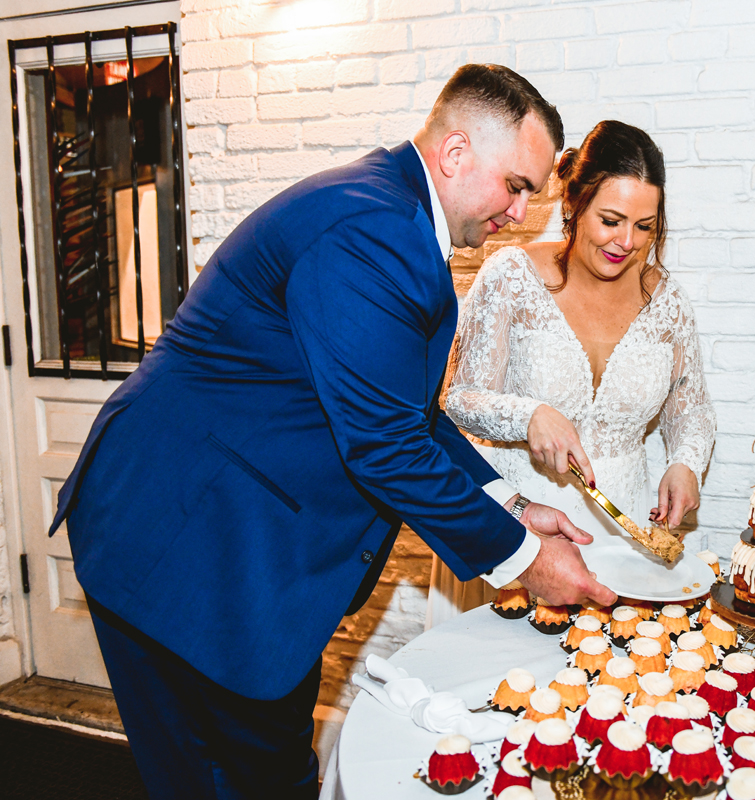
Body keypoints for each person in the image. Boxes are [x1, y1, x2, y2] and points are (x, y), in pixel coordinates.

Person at [47, 64, 616, 799]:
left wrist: (511, 505)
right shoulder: (371, 228)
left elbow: (404, 409)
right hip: (180, 537)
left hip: (240, 542)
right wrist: (521, 559)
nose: (522, 211)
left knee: (270, 770)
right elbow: (383, 441)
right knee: (215, 777)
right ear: (454, 153)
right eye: (517, 185)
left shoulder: (392, 214)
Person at [429, 120, 717, 624]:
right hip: (519, 527)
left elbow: (691, 410)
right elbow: (457, 399)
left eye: (645, 226)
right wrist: (529, 415)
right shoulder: (511, 277)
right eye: (611, 219)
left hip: (621, 538)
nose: (626, 241)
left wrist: (686, 463)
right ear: (575, 203)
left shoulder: (667, 300)